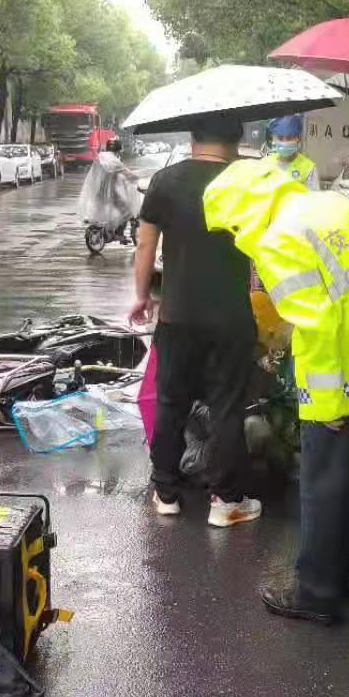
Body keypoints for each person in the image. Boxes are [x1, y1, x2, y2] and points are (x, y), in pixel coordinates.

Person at [204, 155, 349, 625]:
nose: (235, 237)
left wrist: (324, 404)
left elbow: (315, 325)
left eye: (232, 227)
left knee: (323, 487)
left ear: (243, 210)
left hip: (340, 380)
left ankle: (317, 592)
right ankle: (341, 575)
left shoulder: (279, 239)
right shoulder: (342, 204)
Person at [130, 117, 262, 528]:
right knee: (227, 407)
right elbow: (265, 251)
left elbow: (145, 244)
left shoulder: (165, 181)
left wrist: (141, 296)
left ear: (193, 137)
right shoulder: (248, 183)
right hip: (231, 317)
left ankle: (166, 492)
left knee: (171, 402)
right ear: (237, 139)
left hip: (177, 315)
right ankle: (225, 501)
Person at [78, 138, 139, 241]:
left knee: (101, 212)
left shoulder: (100, 156)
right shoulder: (115, 161)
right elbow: (128, 174)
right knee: (127, 211)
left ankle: (108, 230)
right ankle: (119, 234)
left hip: (97, 191)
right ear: (118, 150)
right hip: (111, 192)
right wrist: (139, 178)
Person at [267, 114, 318, 189]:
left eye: (289, 138)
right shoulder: (267, 162)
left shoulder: (308, 168)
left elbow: (314, 195)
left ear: (298, 138)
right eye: (280, 138)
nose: (284, 142)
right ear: (273, 138)